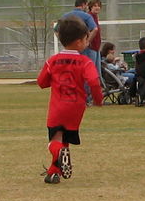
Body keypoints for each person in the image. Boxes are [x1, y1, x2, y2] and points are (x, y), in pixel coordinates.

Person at [37, 16, 102, 184]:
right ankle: (53, 173)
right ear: (80, 42)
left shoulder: (52, 61)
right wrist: (97, 99)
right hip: (76, 107)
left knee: (54, 142)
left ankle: (58, 153)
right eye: (87, 38)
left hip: (58, 107)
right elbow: (94, 81)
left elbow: (41, 82)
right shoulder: (85, 62)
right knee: (64, 139)